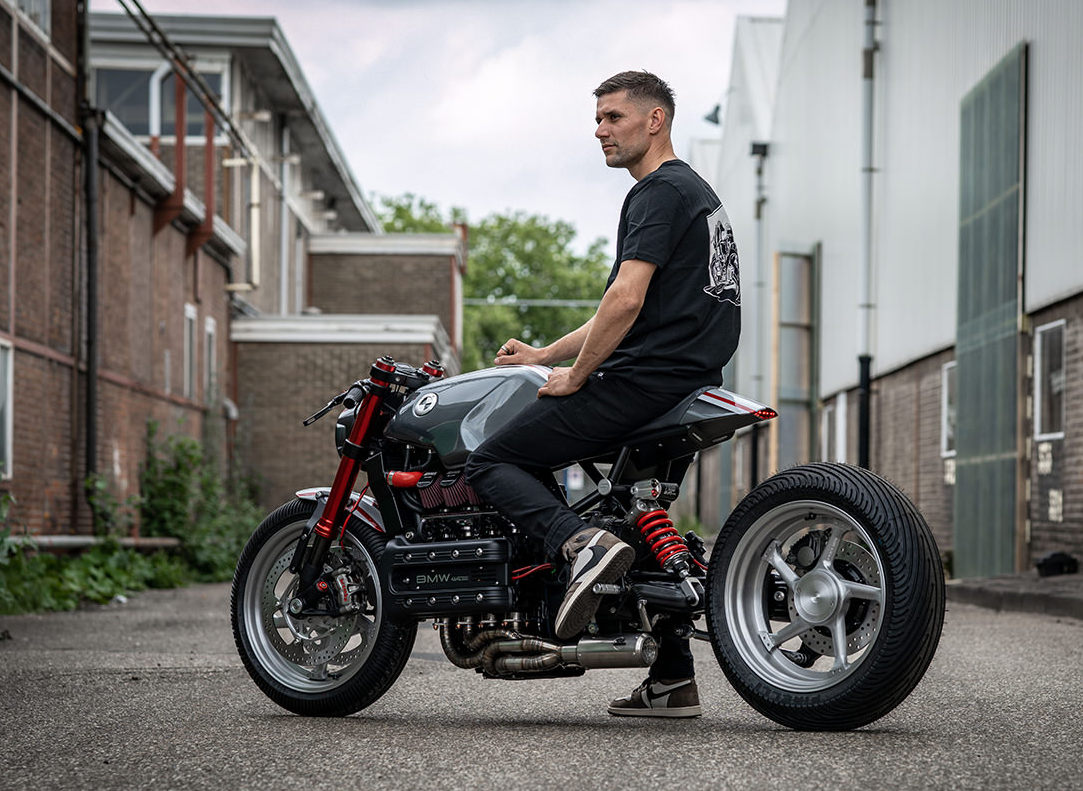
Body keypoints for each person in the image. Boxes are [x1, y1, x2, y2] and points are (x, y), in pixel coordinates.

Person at [464, 71, 741, 718]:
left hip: (642, 382)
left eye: (612, 117)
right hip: (685, 386)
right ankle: (672, 679)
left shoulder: (658, 190)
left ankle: (576, 543)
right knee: (634, 513)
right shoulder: (693, 194)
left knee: (492, 461)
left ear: (654, 121)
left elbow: (624, 298)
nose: (599, 130)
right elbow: (620, 312)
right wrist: (543, 355)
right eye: (597, 119)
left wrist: (576, 377)